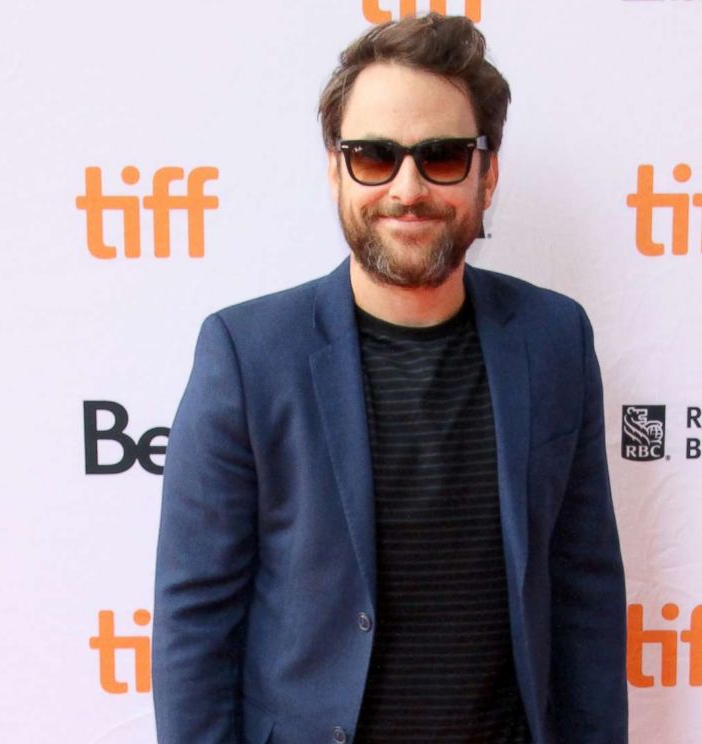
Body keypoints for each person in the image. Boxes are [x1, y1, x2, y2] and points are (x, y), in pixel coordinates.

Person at [153, 13, 627, 744]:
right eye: (373, 156)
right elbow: (195, 622)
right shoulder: (247, 356)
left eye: (440, 155)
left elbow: (585, 596)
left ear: (487, 173)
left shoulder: (555, 339)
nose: (407, 188)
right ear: (336, 168)